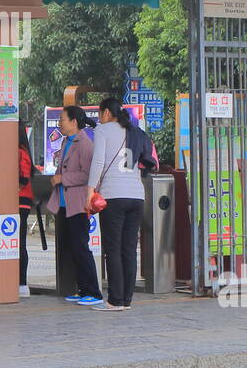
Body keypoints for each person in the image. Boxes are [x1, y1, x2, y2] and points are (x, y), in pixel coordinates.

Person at [86, 98, 151, 311]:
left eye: (99, 113)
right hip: (136, 196)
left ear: (106, 113)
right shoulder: (134, 131)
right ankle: (127, 300)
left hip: (114, 196)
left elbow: (98, 161)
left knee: (113, 249)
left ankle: (115, 300)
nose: (98, 117)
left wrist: (90, 190)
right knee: (129, 249)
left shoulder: (103, 130)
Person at [51, 106, 101, 306]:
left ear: (73, 122)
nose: (59, 123)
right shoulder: (66, 141)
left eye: (62, 119)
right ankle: (82, 290)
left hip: (78, 204)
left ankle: (94, 292)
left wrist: (63, 178)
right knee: (72, 248)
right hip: (64, 204)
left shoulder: (85, 144)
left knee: (81, 248)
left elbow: (87, 174)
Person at [17, 121, 41, 298]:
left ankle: (22, 283)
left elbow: (23, 179)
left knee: (19, 244)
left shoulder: (21, 152)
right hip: (18, 202)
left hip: (20, 202)